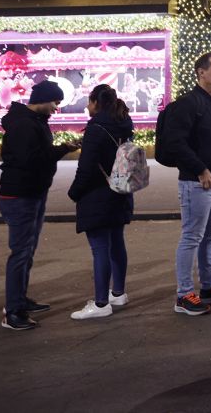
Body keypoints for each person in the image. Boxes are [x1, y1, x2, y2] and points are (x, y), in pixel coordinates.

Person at [160, 52, 211, 316]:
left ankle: (208, 286)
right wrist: (200, 169)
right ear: (201, 72)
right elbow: (175, 143)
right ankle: (183, 295)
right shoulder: (188, 104)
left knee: (210, 237)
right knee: (192, 237)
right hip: (197, 184)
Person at [0, 79, 80, 330]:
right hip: (21, 194)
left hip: (31, 193)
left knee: (27, 251)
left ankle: (19, 299)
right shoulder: (24, 124)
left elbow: (36, 154)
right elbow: (30, 159)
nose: (57, 108)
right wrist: (58, 151)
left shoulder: (33, 121)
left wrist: (62, 148)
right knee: (21, 253)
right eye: (55, 102)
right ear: (43, 100)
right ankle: (13, 312)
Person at [66, 84, 134, 320]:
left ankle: (101, 303)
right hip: (121, 190)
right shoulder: (124, 122)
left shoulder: (96, 128)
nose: (86, 105)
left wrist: (74, 193)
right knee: (116, 242)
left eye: (89, 101)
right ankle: (118, 293)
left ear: (96, 102)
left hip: (97, 195)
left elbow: (85, 169)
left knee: (100, 248)